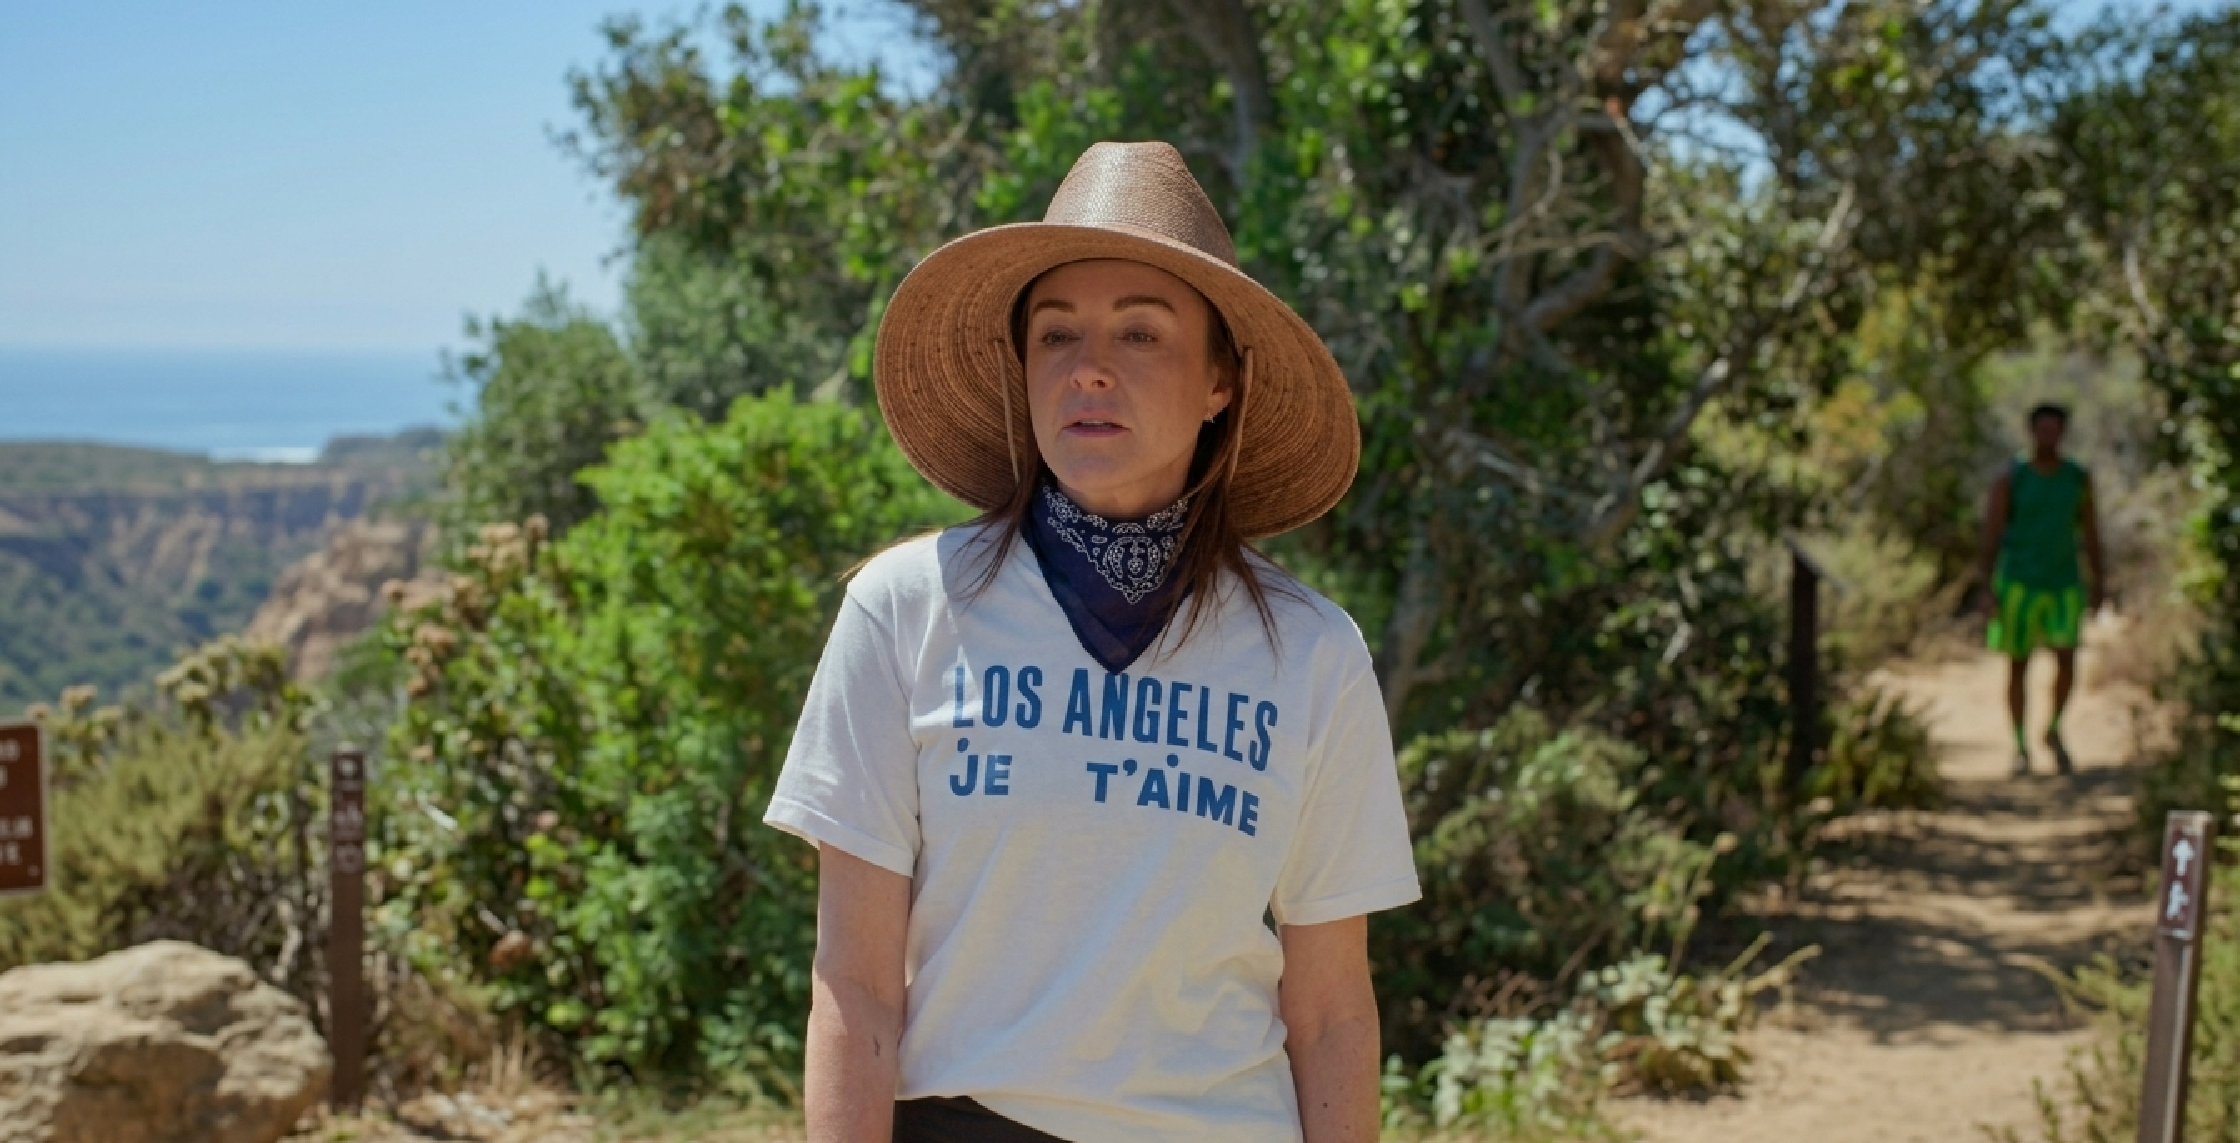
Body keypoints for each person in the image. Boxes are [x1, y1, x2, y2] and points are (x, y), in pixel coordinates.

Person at [763, 141, 1420, 1143]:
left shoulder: (1311, 653)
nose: (1090, 368)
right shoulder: (906, 609)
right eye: (1056, 333)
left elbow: (1331, 1011)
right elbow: (854, 983)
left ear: (1220, 382)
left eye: (1141, 332)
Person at [1975, 403, 2105, 777]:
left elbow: (2090, 532)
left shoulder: (2077, 478)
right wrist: (1986, 586)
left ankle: (2053, 729)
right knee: (2018, 665)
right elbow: (1992, 532)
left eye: (2055, 429)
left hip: (2064, 583)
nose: (2049, 436)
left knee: (2066, 660)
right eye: (2043, 429)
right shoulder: (2011, 477)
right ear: (2031, 431)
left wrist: (2098, 581)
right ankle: (2020, 745)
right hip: (2018, 583)